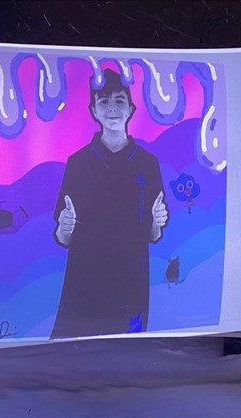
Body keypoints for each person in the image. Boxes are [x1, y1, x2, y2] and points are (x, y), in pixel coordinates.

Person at [50, 68, 169, 339]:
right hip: (85, 280)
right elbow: (63, 238)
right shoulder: (78, 162)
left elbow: (153, 235)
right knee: (74, 351)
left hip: (130, 279)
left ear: (131, 108)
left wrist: (156, 222)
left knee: (127, 350)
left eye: (119, 100)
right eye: (103, 101)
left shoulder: (147, 163)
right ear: (93, 110)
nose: (112, 108)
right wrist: (65, 227)